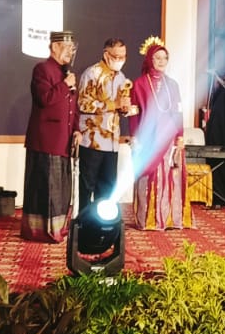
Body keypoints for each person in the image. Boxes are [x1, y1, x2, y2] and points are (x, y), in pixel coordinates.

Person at [20, 31, 79, 242]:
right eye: (67, 47)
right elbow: (45, 99)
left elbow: (73, 107)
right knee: (47, 188)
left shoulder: (66, 73)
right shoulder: (42, 69)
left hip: (64, 139)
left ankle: (59, 228)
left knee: (62, 188)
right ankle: (41, 230)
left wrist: (77, 130)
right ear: (54, 47)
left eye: (72, 48)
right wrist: (65, 85)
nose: (70, 52)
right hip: (46, 140)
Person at [129, 37, 190, 230]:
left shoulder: (173, 84)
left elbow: (178, 112)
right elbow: (134, 114)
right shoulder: (139, 84)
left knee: (171, 177)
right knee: (150, 177)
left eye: (165, 58)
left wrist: (180, 136)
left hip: (169, 139)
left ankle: (170, 218)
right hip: (148, 139)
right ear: (149, 59)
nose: (162, 61)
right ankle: (148, 219)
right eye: (157, 58)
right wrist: (134, 137)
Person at [76, 38, 132, 207]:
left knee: (107, 188)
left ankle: (102, 221)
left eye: (123, 56)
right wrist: (113, 104)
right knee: (88, 186)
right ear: (106, 55)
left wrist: (124, 109)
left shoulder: (121, 77)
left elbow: (119, 106)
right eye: (116, 56)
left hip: (112, 142)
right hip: (92, 141)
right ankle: (85, 220)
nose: (120, 60)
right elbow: (83, 103)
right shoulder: (92, 73)